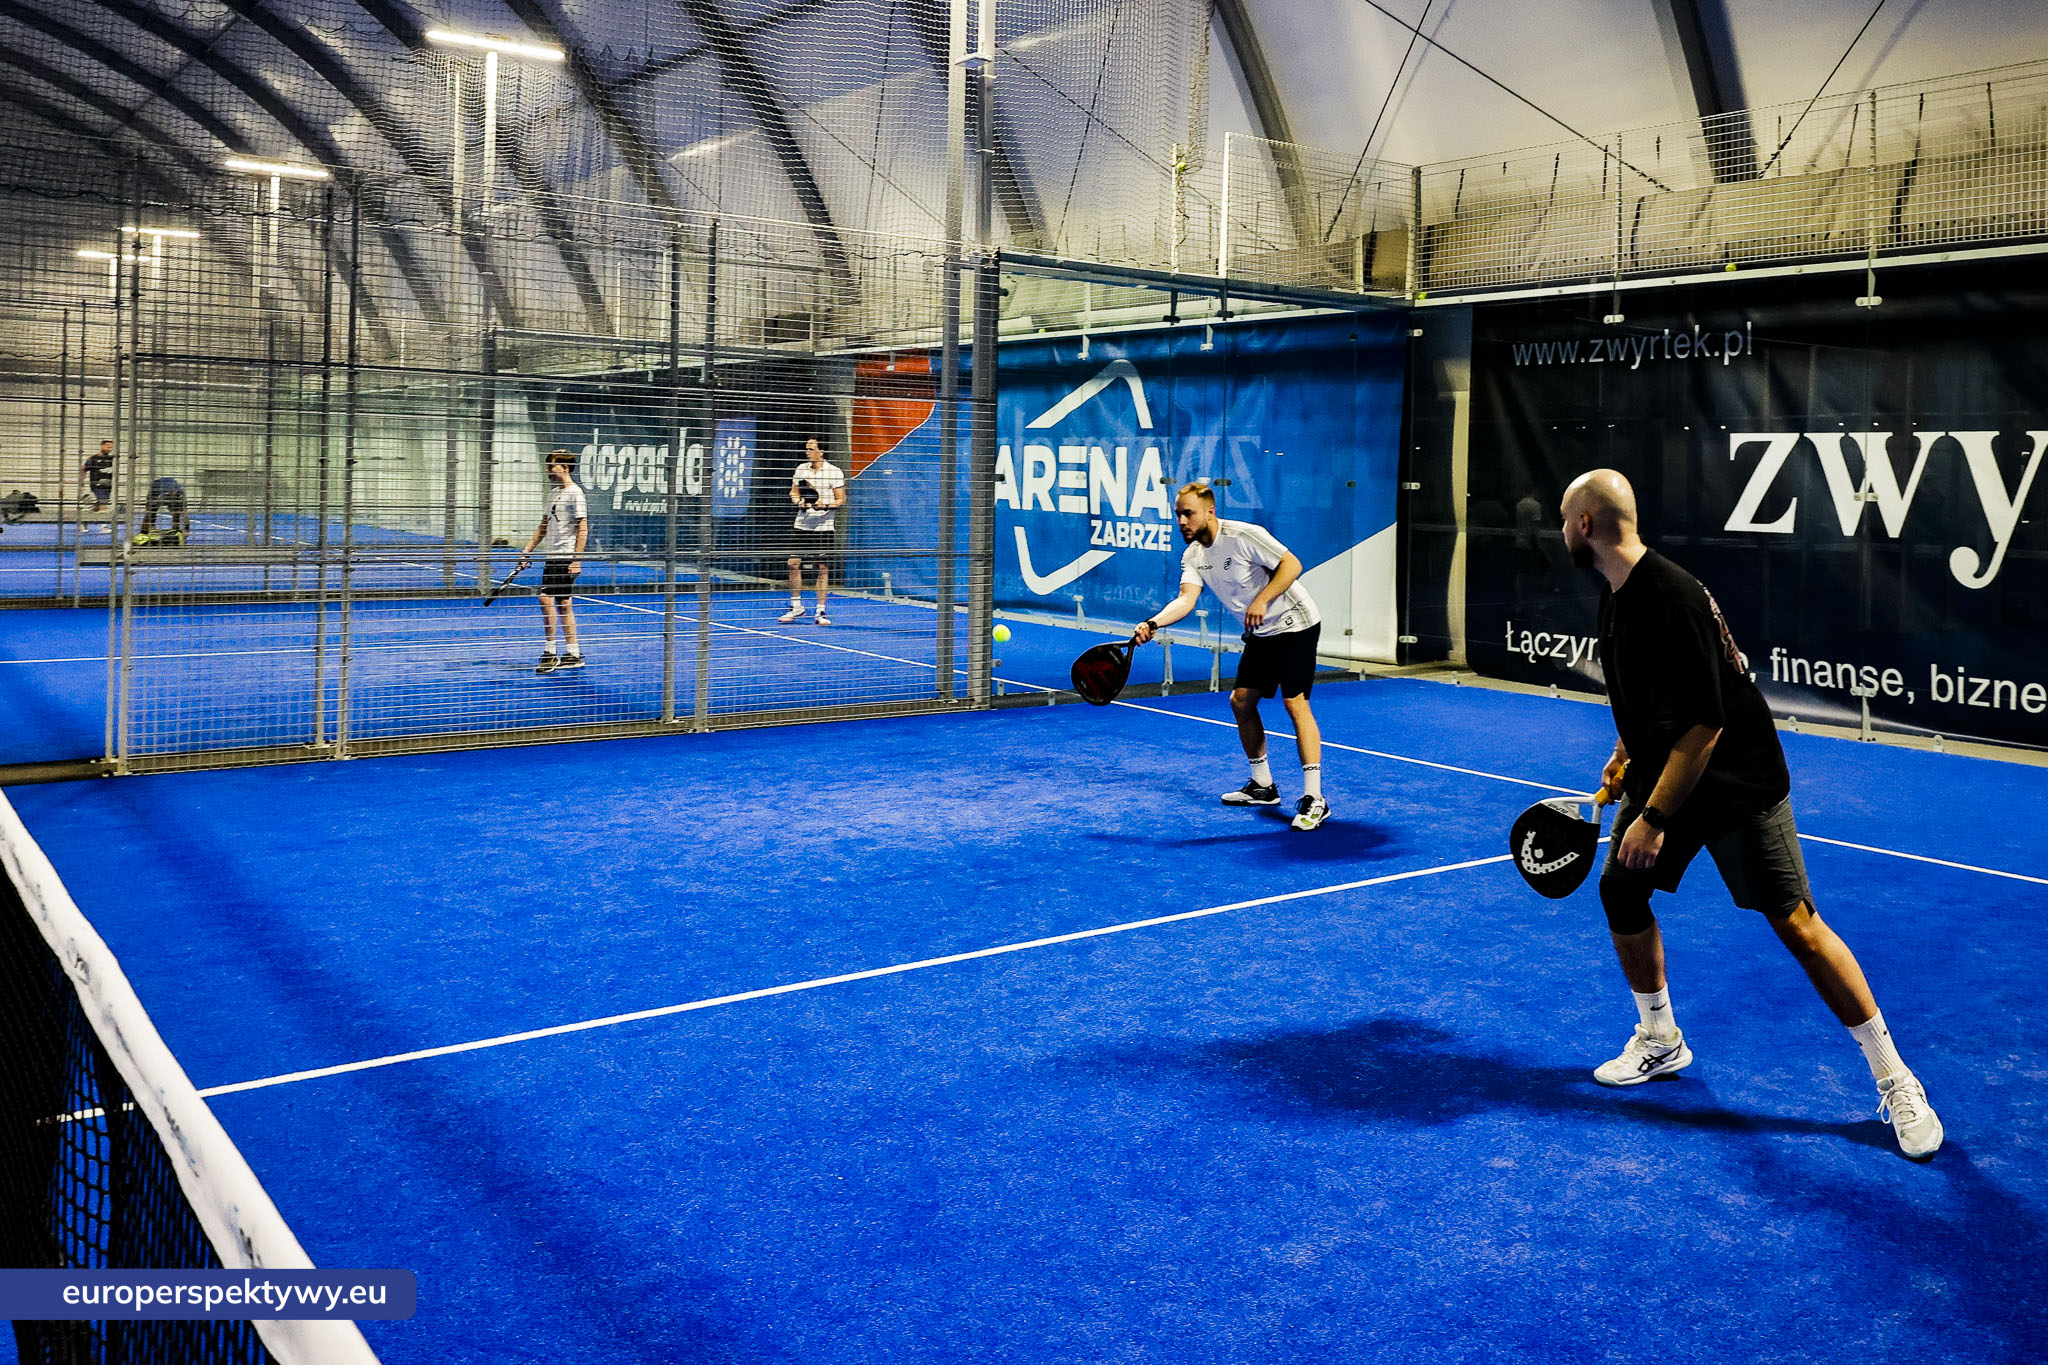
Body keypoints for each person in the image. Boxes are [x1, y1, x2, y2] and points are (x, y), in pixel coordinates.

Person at [1560, 468, 1942, 1159]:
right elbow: (1642, 698)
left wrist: (1652, 819)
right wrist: (1623, 755)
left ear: (1585, 524)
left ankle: (1897, 1077)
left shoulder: (1670, 597)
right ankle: (1660, 1039)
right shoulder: (1617, 595)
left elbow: (1706, 726)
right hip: (1668, 767)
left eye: (1564, 519)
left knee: (1798, 925)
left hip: (1738, 781)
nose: (1561, 530)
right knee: (1621, 890)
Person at [1132, 482, 1330, 831]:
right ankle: (1263, 787)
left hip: (1295, 624)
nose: (1182, 521)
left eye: (1188, 513)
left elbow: (1292, 564)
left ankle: (1315, 798)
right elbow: (1186, 599)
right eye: (1178, 514)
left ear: (1210, 511)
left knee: (1295, 702)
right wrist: (1153, 623)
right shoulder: (1194, 555)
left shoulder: (1243, 535)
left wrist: (1262, 600)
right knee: (1241, 702)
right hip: (1261, 634)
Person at [514, 449, 588, 674]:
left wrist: (576, 560)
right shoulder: (554, 494)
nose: (548, 471)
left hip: (565, 556)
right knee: (563, 603)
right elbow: (543, 526)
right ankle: (573, 653)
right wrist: (527, 550)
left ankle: (550, 652)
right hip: (552, 556)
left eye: (551, 466)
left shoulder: (575, 493)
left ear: (564, 468)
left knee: (547, 599)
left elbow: (582, 528)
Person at [777, 437, 846, 626]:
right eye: (806, 449)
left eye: (811, 449)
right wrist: (798, 501)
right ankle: (796, 606)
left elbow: (841, 499)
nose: (807, 452)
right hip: (802, 524)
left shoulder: (834, 472)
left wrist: (826, 505)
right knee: (793, 563)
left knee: (821, 567)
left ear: (821, 451)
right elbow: (794, 492)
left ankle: (820, 611)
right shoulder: (801, 469)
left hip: (824, 527)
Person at [131, 476, 188, 546]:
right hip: (158, 491)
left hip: (170, 493)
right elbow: (149, 513)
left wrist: (186, 529)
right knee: (151, 514)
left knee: (176, 515)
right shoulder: (157, 494)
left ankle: (175, 531)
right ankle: (144, 533)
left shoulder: (181, 497)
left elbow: (185, 515)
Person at [80, 439, 114, 524]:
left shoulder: (112, 459)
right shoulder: (93, 459)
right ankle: (103, 527)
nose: (110, 448)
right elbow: (83, 469)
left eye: (111, 447)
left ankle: (84, 521)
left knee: (97, 507)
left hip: (108, 486)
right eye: (108, 446)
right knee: (103, 506)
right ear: (102, 446)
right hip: (97, 485)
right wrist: (81, 483)